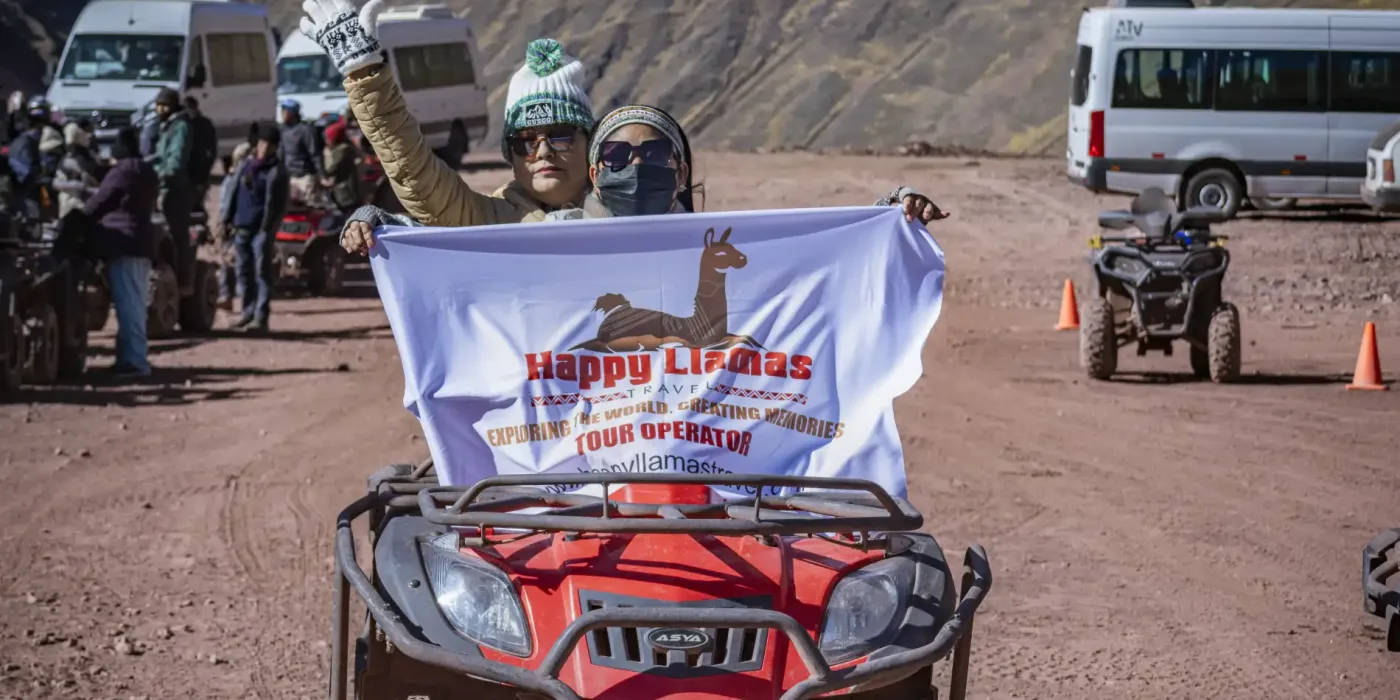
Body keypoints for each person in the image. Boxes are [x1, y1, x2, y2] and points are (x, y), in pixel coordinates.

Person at [339, 104, 949, 248]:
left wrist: (888, 215)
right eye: (620, 158)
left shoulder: (718, 243)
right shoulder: (546, 235)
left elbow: (817, 254)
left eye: (656, 157)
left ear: (682, 170)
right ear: (598, 173)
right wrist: (386, 227)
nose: (637, 167)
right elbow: (449, 236)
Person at [300, 0, 594, 227]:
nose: (543, 151)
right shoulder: (486, 221)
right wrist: (365, 73)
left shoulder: (631, 212)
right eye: (526, 140)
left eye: (560, 136)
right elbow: (418, 177)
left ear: (590, 144)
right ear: (511, 156)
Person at [84, 127, 159, 378]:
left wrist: (79, 217)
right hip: (139, 244)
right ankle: (129, 358)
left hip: (125, 244)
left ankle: (136, 362)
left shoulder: (124, 171)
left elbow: (102, 200)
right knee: (133, 304)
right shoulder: (145, 170)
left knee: (130, 306)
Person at [221, 123, 289, 333]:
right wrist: (225, 220)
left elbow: (278, 206)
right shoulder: (246, 166)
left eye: (267, 144)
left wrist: (268, 230)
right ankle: (247, 312)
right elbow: (232, 193)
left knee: (262, 273)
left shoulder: (277, 172)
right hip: (241, 227)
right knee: (243, 272)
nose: (262, 147)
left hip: (261, 230)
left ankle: (261, 317)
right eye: (261, 143)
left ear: (274, 146)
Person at [152, 87, 195, 295]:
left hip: (175, 189)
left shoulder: (180, 127)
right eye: (158, 105)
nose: (160, 109)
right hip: (162, 186)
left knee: (177, 236)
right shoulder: (163, 126)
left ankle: (182, 282)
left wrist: (159, 174)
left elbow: (175, 161)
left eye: (165, 105)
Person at [215, 140, 254, 310]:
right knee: (227, 260)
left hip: (238, 224)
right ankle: (227, 295)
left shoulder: (242, 179)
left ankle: (240, 298)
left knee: (237, 261)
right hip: (230, 224)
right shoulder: (233, 178)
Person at [54, 122, 105, 217]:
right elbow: (57, 183)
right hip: (72, 203)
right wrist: (79, 185)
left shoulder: (90, 157)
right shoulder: (68, 161)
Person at [278, 98, 323, 206]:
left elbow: (315, 154)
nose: (282, 113)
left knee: (308, 205)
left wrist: (321, 175)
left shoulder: (305, 130)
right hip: (289, 176)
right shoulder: (283, 130)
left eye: (285, 110)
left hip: (305, 177)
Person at [183, 95, 218, 209]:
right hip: (184, 171)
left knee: (197, 204)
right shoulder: (181, 124)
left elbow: (212, 150)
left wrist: (206, 169)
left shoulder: (205, 124)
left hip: (199, 171)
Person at [321, 118, 361, 213]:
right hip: (340, 191)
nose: (326, 141)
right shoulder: (340, 149)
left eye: (328, 138)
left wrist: (321, 175)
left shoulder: (343, 150)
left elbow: (333, 168)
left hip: (345, 192)